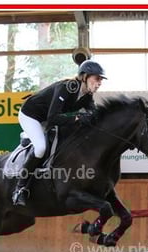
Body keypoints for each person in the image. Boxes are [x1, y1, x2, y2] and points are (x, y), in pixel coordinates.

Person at [12, 60, 107, 207]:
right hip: (30, 115)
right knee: (41, 148)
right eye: (97, 78)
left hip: (46, 118)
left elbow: (95, 117)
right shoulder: (67, 87)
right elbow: (53, 118)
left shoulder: (87, 96)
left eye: (101, 80)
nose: (99, 83)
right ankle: (20, 188)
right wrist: (77, 118)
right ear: (85, 76)